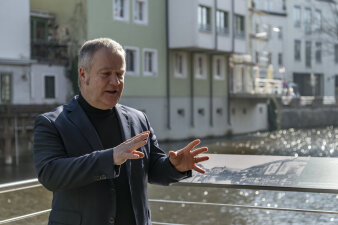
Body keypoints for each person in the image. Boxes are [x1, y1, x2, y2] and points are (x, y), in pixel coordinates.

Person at [33, 38, 209, 225]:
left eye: (120, 74)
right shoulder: (51, 123)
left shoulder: (138, 119)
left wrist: (176, 167)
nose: (115, 81)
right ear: (83, 74)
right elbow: (50, 175)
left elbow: (154, 169)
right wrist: (110, 158)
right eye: (106, 73)